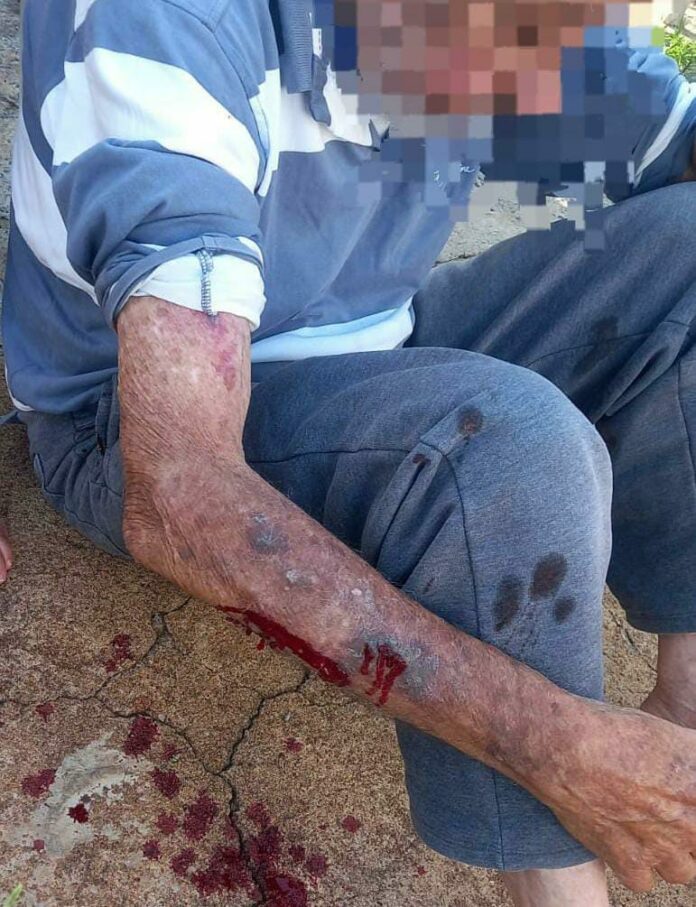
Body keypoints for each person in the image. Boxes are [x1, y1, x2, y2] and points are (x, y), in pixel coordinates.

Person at [3, 1, 696, 904]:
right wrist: (556, 742)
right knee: (508, 451)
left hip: (380, 335)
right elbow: (181, 492)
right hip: (130, 403)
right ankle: (567, 866)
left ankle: (683, 728)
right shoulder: (168, 21)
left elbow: (665, 134)